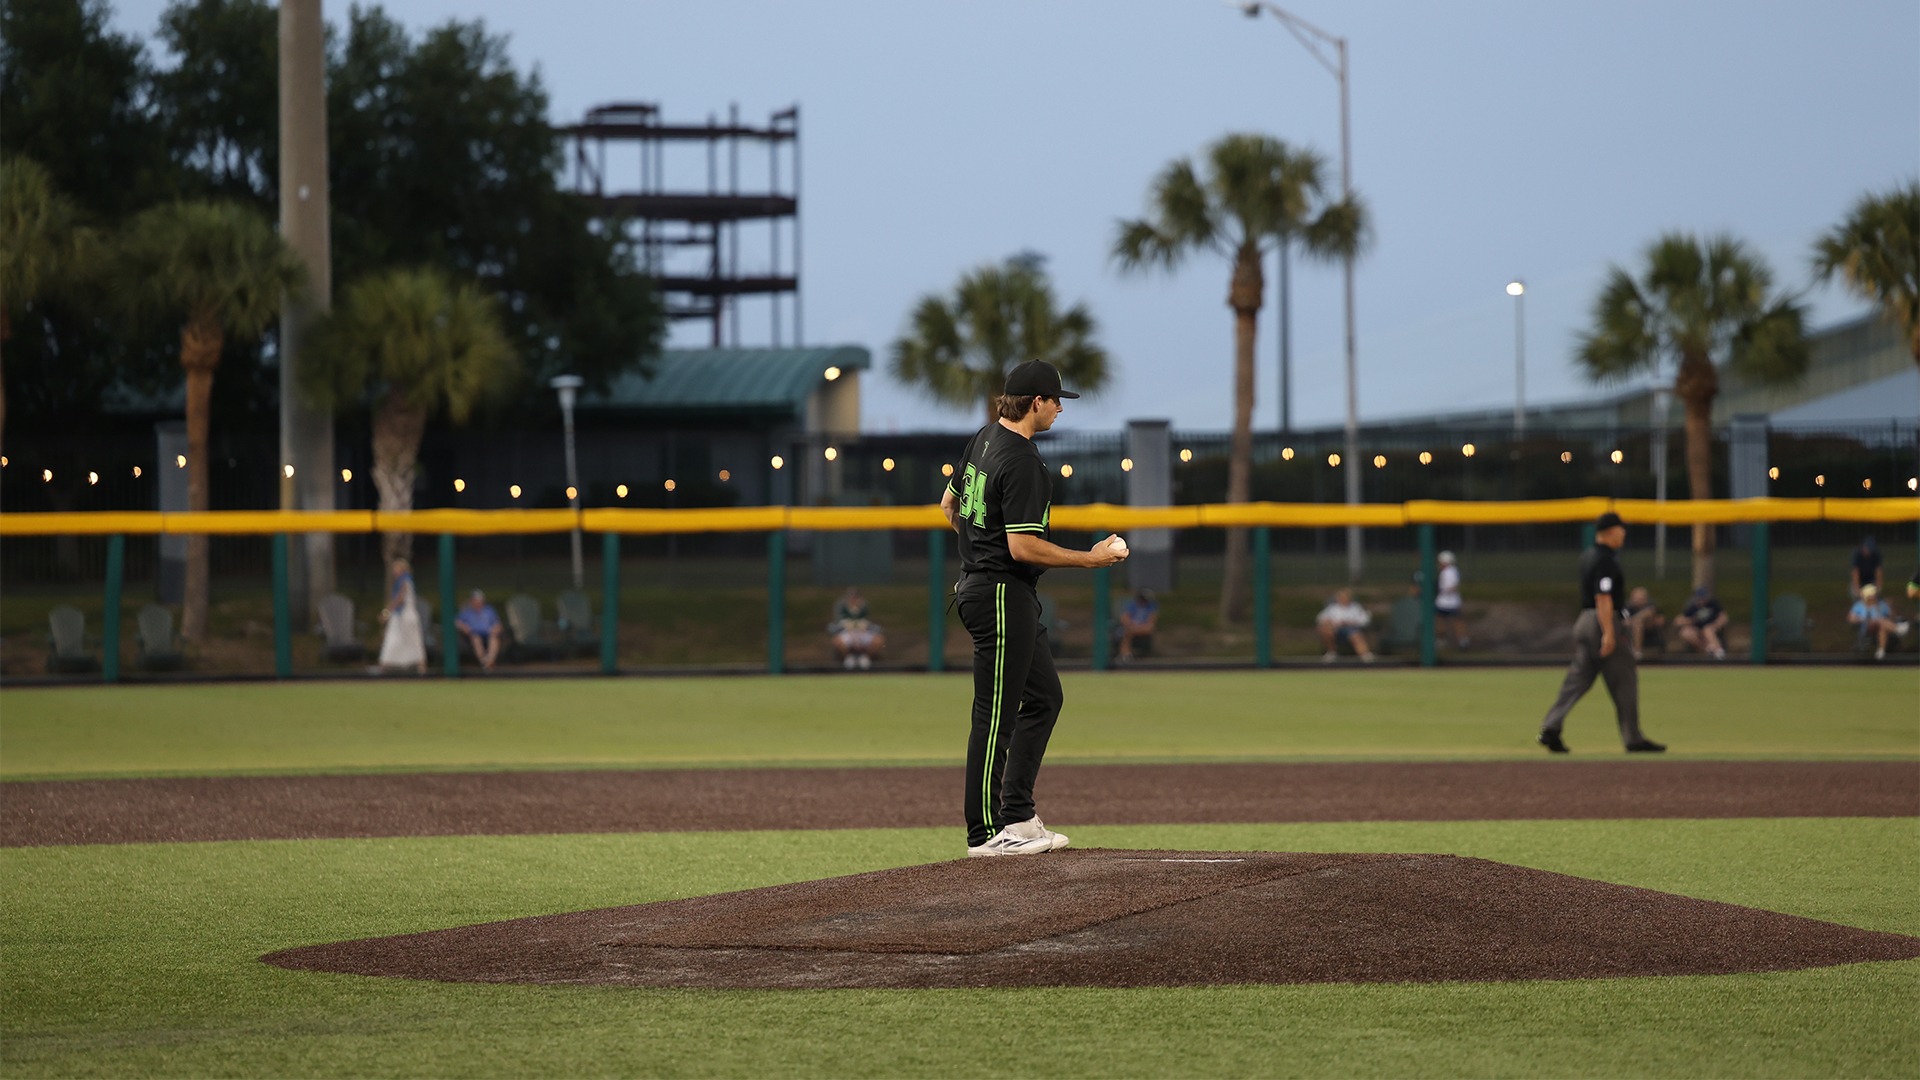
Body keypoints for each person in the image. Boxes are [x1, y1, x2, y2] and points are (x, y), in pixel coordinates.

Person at [940, 359, 1127, 858]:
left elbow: (947, 504)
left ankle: (1018, 816)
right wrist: (1091, 558)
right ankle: (984, 834)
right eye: (1056, 399)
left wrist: (975, 549)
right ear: (1035, 402)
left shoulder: (982, 438)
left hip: (994, 590)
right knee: (995, 713)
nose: (1061, 407)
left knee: (1045, 698)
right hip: (1001, 592)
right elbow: (1023, 547)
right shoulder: (1021, 458)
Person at [1537, 512, 1665, 754]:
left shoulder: (1587, 556)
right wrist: (1608, 633)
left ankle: (1550, 727)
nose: (1624, 533)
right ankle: (1633, 738)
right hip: (1602, 621)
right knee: (1625, 679)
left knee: (1577, 680)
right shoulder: (1606, 559)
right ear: (1610, 531)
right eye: (1621, 529)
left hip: (1584, 620)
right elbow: (1603, 597)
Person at [376, 557, 427, 675]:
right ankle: (385, 664)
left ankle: (421, 664)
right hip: (399, 616)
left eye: (396, 568)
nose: (394, 571)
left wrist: (386, 612)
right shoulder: (400, 581)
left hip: (406, 615)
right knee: (393, 638)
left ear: (403, 569)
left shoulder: (405, 581)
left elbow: (400, 598)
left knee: (412, 639)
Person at [1848, 584, 1909, 661]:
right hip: (1867, 628)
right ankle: (1898, 629)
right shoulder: (1858, 605)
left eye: (1875, 594)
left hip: (1882, 627)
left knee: (1882, 626)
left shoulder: (1882, 604)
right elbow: (1851, 619)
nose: (1874, 596)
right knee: (1878, 620)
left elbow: (1892, 618)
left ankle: (1881, 651)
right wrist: (1862, 619)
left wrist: (1890, 607)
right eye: (1872, 594)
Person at [829, 587, 886, 670]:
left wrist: (863, 624)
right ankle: (849, 657)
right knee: (837, 640)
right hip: (848, 632)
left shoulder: (864, 606)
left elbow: (868, 622)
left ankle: (864, 657)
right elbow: (838, 623)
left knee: (879, 640)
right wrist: (847, 624)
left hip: (862, 632)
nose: (853, 600)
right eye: (851, 598)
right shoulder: (842, 607)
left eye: (855, 598)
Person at [1316, 588, 1375, 663]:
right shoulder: (1332, 608)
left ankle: (1366, 656)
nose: (1343, 599)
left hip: (1351, 629)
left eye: (1345, 597)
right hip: (1336, 630)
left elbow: (1365, 620)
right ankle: (1332, 653)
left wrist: (1351, 622)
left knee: (1355, 635)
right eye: (1341, 597)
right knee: (1325, 630)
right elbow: (1320, 618)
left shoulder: (1356, 607)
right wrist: (1329, 622)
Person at [455, 589, 504, 671]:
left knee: (494, 638)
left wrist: (496, 629)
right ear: (472, 601)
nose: (478, 602)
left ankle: (489, 660)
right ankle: (485, 662)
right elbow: (457, 622)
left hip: (488, 634)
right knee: (476, 638)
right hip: (472, 635)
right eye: (476, 600)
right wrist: (465, 628)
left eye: (480, 600)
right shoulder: (466, 611)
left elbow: (498, 623)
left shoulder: (489, 610)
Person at [1676, 586, 1730, 659]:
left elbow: (1724, 617)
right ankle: (1707, 650)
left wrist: (1716, 625)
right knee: (1686, 633)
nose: (1702, 600)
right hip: (1697, 630)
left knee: (1707, 630)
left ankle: (1719, 652)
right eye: (1699, 598)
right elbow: (1678, 621)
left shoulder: (1713, 603)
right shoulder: (1691, 606)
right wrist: (1691, 621)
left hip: (1711, 629)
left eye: (1703, 598)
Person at [1113, 588, 1159, 664]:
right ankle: (1125, 654)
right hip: (1132, 627)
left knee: (1147, 629)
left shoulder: (1152, 606)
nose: (1144, 602)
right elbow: (1124, 618)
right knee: (1127, 632)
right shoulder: (1132, 605)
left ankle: (1125, 653)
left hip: (1144, 628)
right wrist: (1131, 625)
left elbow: (1151, 622)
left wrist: (1139, 627)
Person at [1434, 550, 1468, 648]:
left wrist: (1443, 590)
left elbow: (1454, 587)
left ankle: (1463, 641)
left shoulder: (1451, 571)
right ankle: (1442, 640)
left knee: (1457, 621)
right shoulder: (1446, 571)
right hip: (1443, 602)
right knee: (1440, 620)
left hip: (1451, 602)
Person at [1623, 586, 1666, 659]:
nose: (1639, 600)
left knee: (1643, 618)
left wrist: (1637, 619)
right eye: (1637, 597)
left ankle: (1637, 652)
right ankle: (1637, 652)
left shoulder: (1651, 605)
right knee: (1638, 624)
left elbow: (1660, 620)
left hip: (1651, 631)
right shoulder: (1627, 608)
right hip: (1631, 632)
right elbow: (1624, 622)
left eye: (1642, 597)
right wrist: (1635, 622)